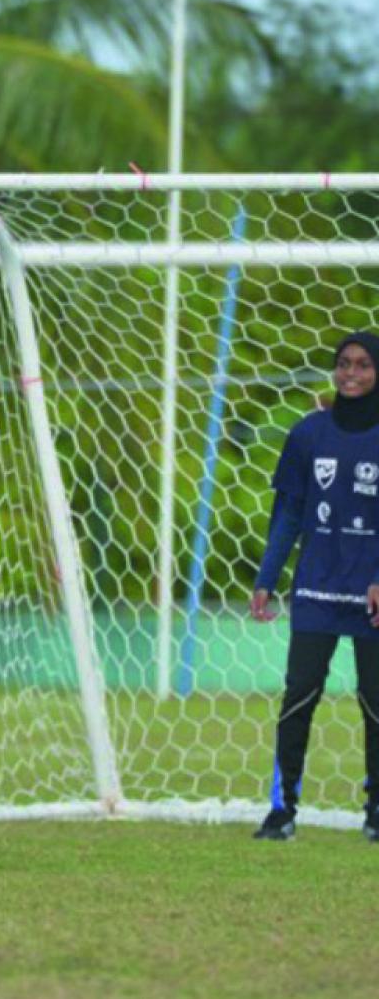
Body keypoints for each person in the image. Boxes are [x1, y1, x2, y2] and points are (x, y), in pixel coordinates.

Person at [249, 331, 379, 843]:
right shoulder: (307, 434)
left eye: (364, 365)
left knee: (375, 703)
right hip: (317, 591)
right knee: (299, 697)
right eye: (343, 363)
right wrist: (267, 578)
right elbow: (288, 514)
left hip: (370, 595)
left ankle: (376, 812)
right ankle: (282, 812)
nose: (351, 373)